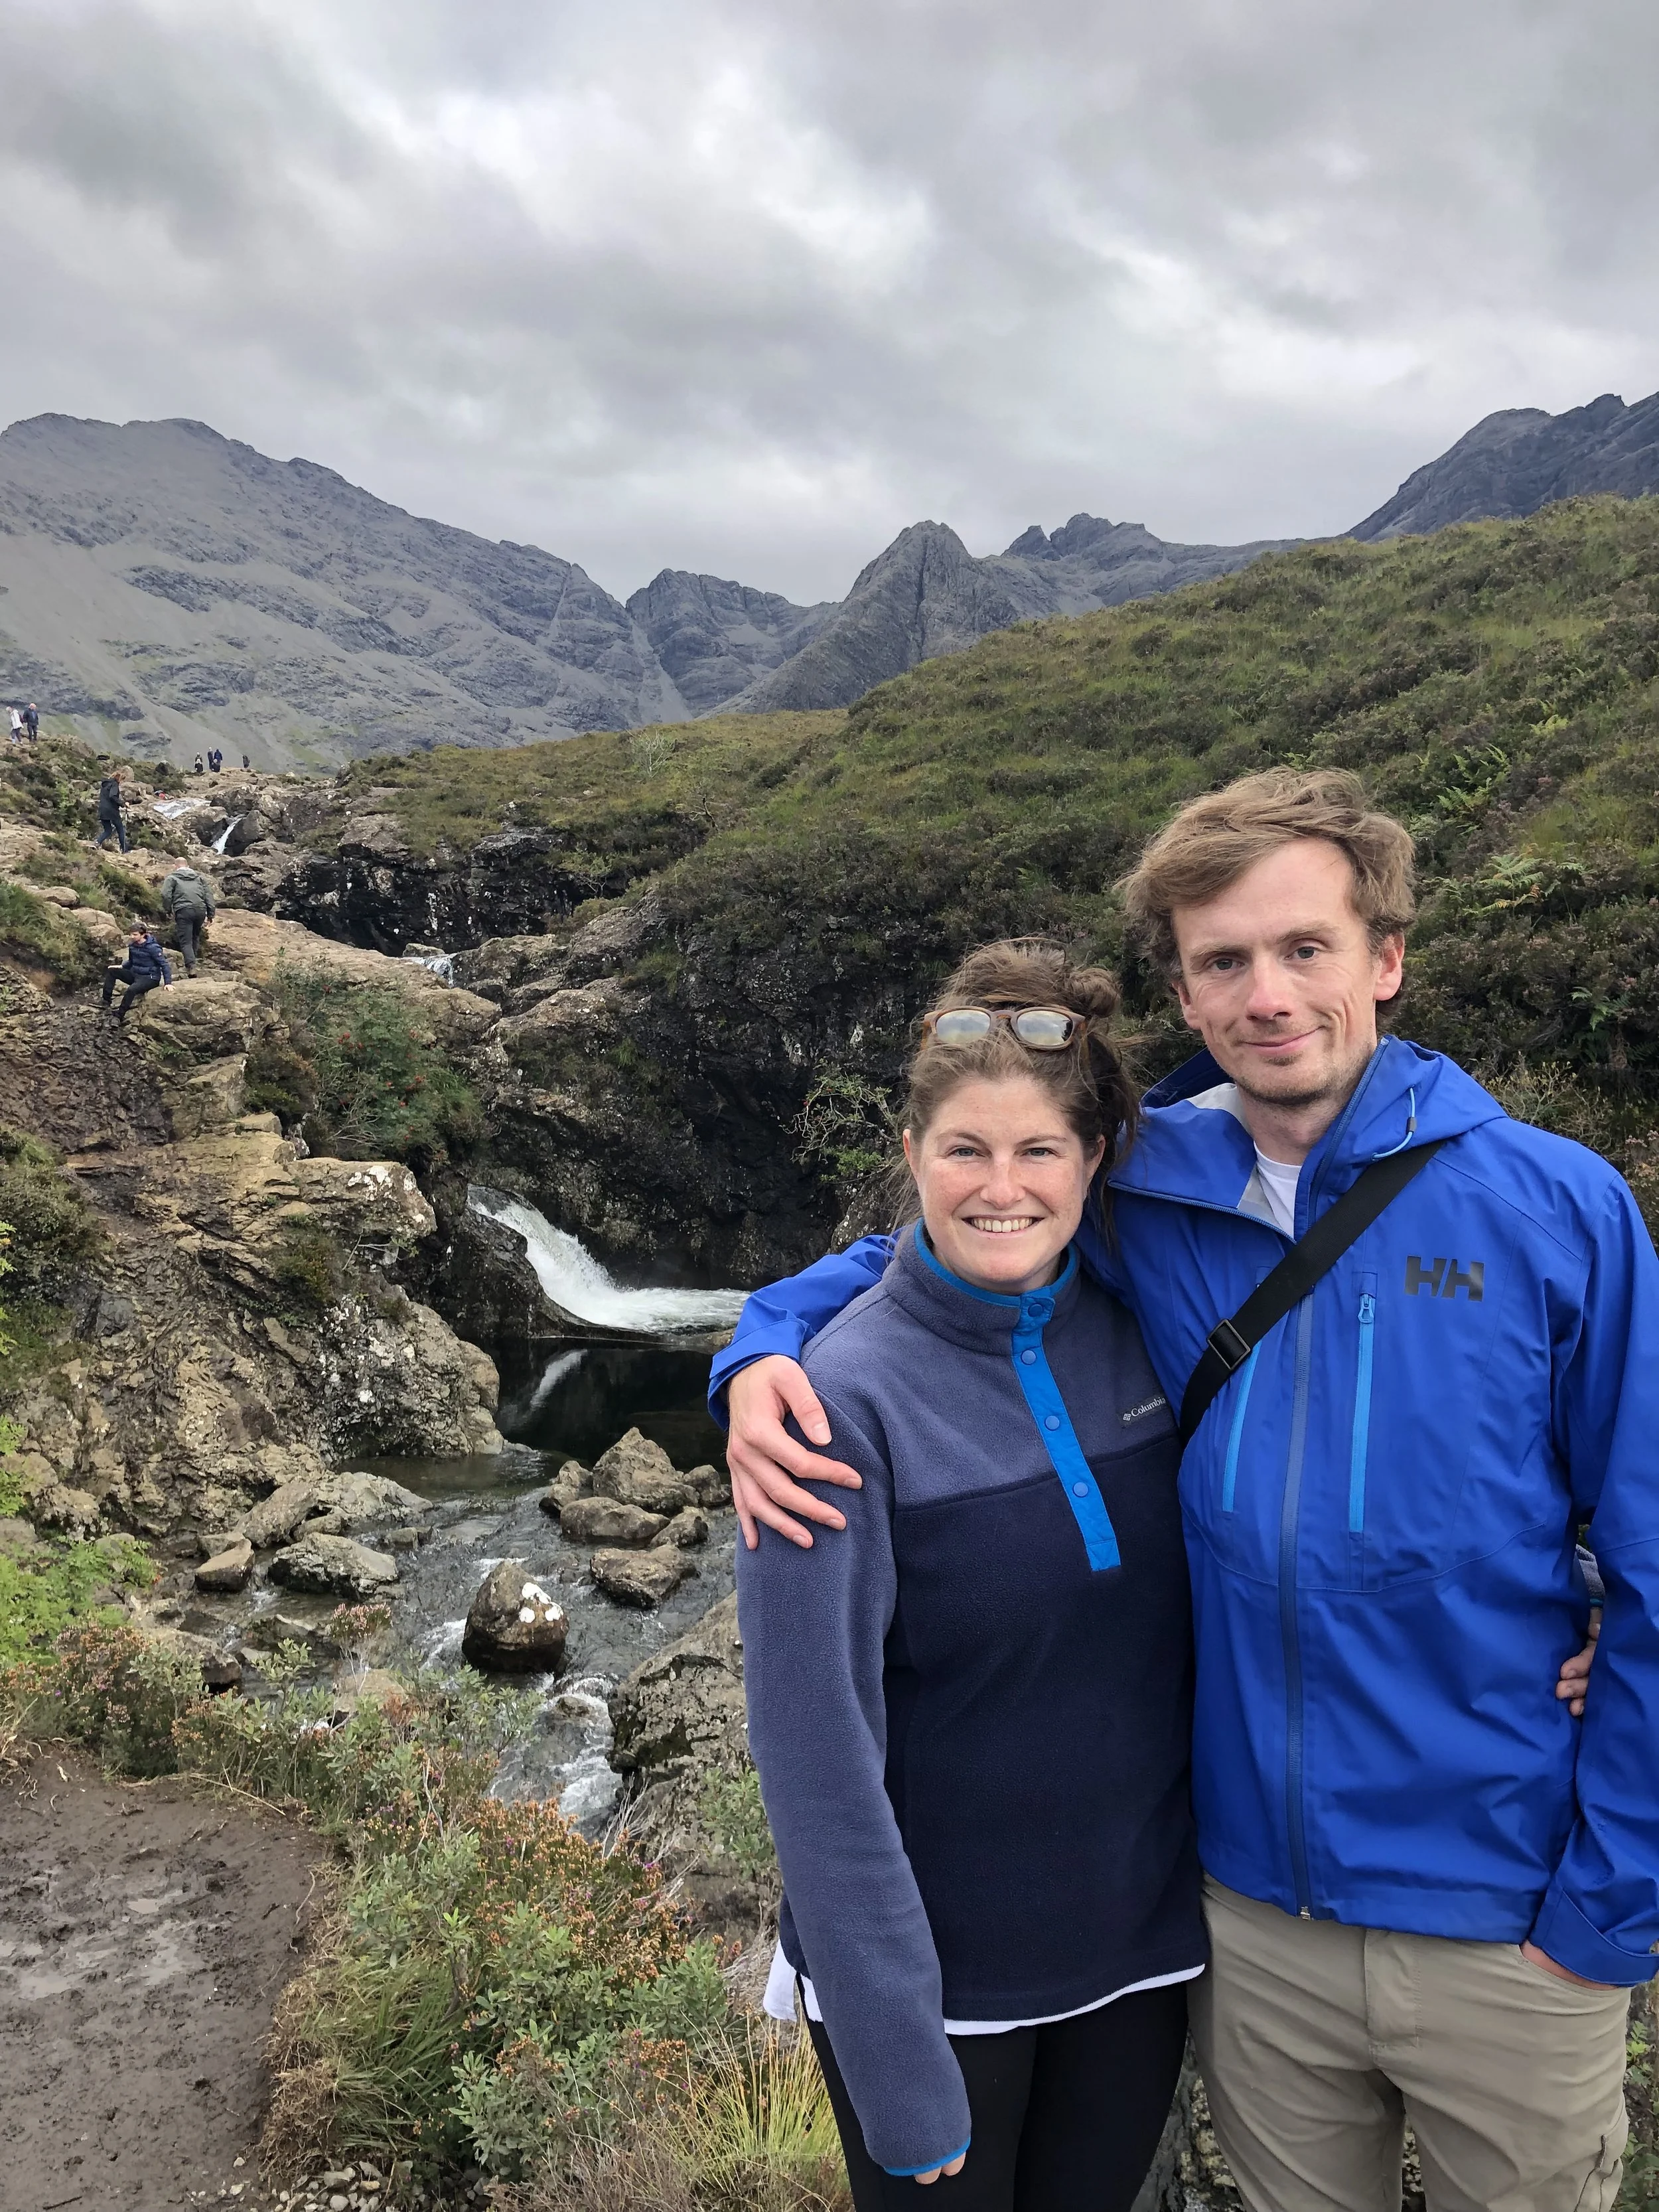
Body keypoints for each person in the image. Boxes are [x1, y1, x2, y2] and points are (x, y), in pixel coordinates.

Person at [715, 769, 1659, 2212]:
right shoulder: (1150, 1190)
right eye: (1222, 959)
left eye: (1303, 949)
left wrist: (1605, 1911)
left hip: (1505, 1914)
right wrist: (757, 1343)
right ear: (1184, 985)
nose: (1266, 993)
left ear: (1383, 960)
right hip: (1244, 1925)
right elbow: (957, 1245)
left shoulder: (1554, 1208)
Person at [740, 947, 1201, 2211]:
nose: (1003, 1188)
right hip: (943, 1995)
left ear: (1095, 1157)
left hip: (1140, 1957)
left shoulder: (1149, 1323)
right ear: (910, 1152)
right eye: (964, 1151)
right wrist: (894, 2054)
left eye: (1039, 1150)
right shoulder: (830, 1404)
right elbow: (812, 1748)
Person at [102, 922, 172, 1023]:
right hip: (136, 974)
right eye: (131, 934)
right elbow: (131, 962)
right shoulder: (132, 946)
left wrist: (168, 983)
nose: (132, 937)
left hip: (150, 978)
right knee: (112, 971)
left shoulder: (153, 948)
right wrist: (122, 966)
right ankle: (106, 1001)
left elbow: (164, 965)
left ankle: (119, 1015)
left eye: (135, 935)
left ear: (143, 935)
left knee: (131, 990)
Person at [159, 863, 216, 978]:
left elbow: (165, 895)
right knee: (195, 936)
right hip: (200, 910)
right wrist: (211, 914)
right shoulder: (200, 878)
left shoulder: (172, 878)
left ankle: (191, 967)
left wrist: (168, 909)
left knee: (186, 940)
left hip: (183, 910)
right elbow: (209, 896)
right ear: (188, 866)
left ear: (175, 866)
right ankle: (193, 963)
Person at [93, 771, 129, 853]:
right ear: (119, 778)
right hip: (112, 811)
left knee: (108, 830)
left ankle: (98, 842)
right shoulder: (114, 784)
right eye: (122, 780)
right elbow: (112, 796)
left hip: (103, 809)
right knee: (120, 829)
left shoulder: (105, 785)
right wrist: (123, 804)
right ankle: (125, 850)